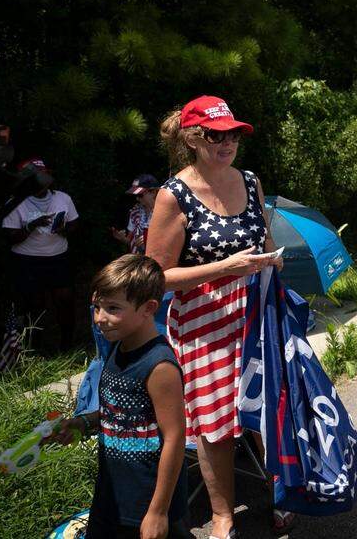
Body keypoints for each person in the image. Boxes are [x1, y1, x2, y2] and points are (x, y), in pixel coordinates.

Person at [146, 96, 284, 539]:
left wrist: (269, 261)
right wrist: (223, 268)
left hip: (254, 312)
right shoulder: (174, 195)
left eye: (232, 134)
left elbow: (261, 239)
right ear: (192, 137)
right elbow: (157, 278)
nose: (226, 142)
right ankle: (224, 514)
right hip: (202, 324)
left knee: (268, 409)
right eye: (213, 134)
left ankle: (282, 493)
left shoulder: (250, 180)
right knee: (216, 423)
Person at [47, 255, 190, 538]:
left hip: (146, 498)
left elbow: (175, 438)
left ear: (149, 308)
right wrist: (83, 423)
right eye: (97, 306)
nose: (100, 318)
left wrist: (158, 511)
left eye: (113, 308)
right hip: (112, 492)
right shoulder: (118, 346)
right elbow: (121, 413)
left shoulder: (159, 366)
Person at [2, 158, 80, 352]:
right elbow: (10, 237)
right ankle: (35, 348)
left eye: (45, 174)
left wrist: (64, 229)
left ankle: (67, 344)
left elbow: (74, 223)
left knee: (64, 299)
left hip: (58, 257)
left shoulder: (62, 198)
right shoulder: (15, 203)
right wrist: (31, 226)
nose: (43, 180)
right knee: (34, 304)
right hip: (27, 260)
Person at [113, 174, 161, 254]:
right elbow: (130, 240)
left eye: (140, 195)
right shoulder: (135, 213)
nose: (137, 199)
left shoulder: (164, 213)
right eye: (135, 196)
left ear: (153, 192)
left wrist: (150, 239)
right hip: (139, 260)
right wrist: (123, 239)